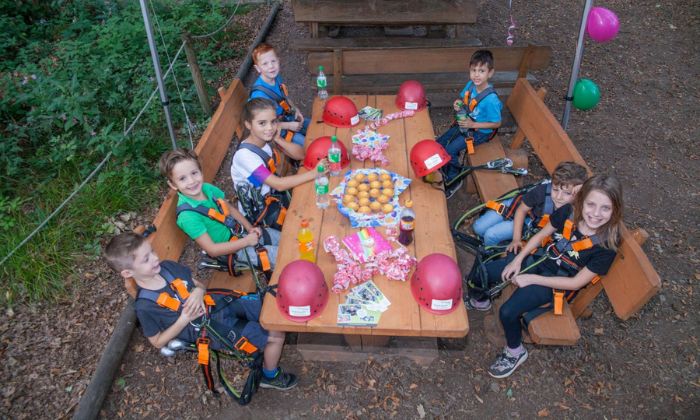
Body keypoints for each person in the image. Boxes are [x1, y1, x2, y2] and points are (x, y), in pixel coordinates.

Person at [467, 175, 623, 378]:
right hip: (539, 260)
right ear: (581, 201)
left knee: (508, 312)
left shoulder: (606, 246)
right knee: (483, 272)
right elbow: (541, 235)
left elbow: (576, 283)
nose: (595, 213)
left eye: (606, 208)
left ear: (615, 210)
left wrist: (531, 279)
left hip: (555, 283)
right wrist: (518, 260)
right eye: (591, 204)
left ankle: (515, 352)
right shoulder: (569, 212)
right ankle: (481, 301)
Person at [103, 233, 298, 390]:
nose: (155, 258)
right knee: (275, 335)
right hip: (210, 327)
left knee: (270, 308)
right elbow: (157, 342)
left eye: (152, 251)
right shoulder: (145, 306)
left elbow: (198, 285)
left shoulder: (168, 267)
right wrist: (183, 319)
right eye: (146, 259)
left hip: (217, 304)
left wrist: (197, 292)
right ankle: (269, 376)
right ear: (128, 273)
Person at [159, 148, 280, 272]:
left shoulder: (208, 189)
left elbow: (229, 208)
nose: (191, 181)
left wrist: (249, 228)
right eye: (182, 178)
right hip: (233, 250)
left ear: (200, 171)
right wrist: (246, 242)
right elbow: (212, 250)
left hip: (242, 233)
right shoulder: (187, 216)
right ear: (173, 185)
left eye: (194, 173)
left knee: (283, 238)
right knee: (280, 256)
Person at [231, 98, 326, 222]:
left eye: (273, 122)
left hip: (274, 198)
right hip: (261, 214)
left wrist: (278, 140)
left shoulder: (263, 142)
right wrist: (315, 173)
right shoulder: (245, 157)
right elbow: (278, 184)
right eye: (262, 123)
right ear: (248, 124)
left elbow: (301, 155)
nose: (270, 128)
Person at [473, 161, 588, 248]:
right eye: (555, 189)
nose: (558, 197)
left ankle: (488, 251)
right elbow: (521, 210)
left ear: (579, 193)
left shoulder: (580, 207)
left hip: (529, 222)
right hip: (517, 208)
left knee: (490, 235)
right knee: (478, 228)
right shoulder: (542, 191)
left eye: (567, 193)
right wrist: (516, 239)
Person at [437, 49, 503, 198]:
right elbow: (463, 100)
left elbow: (497, 123)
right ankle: (446, 167)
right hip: (465, 124)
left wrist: (473, 125)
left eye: (481, 71)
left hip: (480, 132)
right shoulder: (471, 85)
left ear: (490, 73)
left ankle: (454, 179)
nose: (476, 75)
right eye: (474, 70)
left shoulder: (491, 100)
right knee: (439, 143)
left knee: (449, 151)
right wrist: (458, 103)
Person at [249, 43, 309, 147]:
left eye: (273, 61)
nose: (271, 66)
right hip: (276, 132)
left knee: (314, 126)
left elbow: (284, 97)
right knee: (308, 145)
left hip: (286, 118)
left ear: (278, 61)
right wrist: (289, 126)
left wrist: (295, 109)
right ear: (258, 68)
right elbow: (264, 125)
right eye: (265, 64)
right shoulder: (259, 95)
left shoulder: (276, 78)